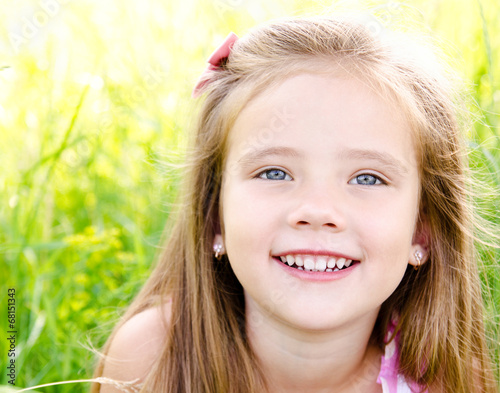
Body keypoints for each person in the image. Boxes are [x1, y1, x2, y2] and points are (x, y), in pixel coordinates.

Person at [91, 13, 498, 393]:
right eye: (274, 173)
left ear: (421, 228)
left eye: (368, 178)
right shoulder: (154, 358)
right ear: (215, 214)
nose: (318, 211)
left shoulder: (450, 380)